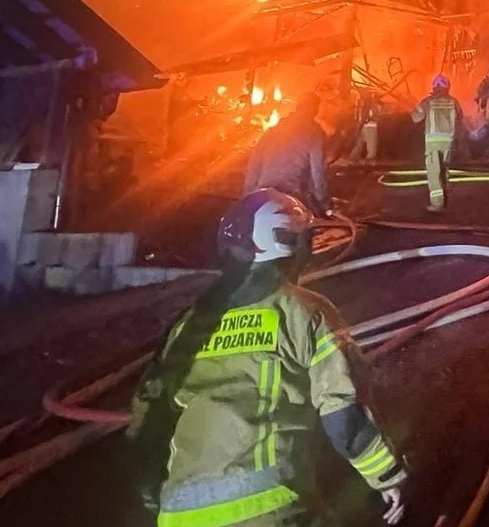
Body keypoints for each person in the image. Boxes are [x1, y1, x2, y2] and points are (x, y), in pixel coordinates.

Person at [128, 188, 406, 526]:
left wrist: (150, 492)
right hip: (269, 508)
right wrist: (387, 475)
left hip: (178, 515)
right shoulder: (304, 311)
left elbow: (148, 417)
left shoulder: (188, 325)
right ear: (291, 244)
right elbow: (342, 412)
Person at [244, 93, 331, 216]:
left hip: (263, 195)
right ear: (315, 110)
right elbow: (318, 172)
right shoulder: (314, 133)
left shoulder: (272, 130)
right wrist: (325, 204)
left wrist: (248, 197)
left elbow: (253, 167)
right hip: (293, 197)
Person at [411, 75, 463, 213]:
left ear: (434, 87)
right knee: (444, 169)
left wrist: (416, 107)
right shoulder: (454, 102)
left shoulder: (428, 101)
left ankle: (437, 204)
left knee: (434, 172)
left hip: (433, 142)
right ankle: (446, 197)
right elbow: (460, 117)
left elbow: (415, 118)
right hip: (448, 141)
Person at [351, 92, 382, 163]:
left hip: (365, 127)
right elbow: (373, 117)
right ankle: (369, 164)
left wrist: (359, 128)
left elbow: (363, 118)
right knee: (372, 149)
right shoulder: (374, 106)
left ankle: (352, 160)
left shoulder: (366, 106)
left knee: (359, 145)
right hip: (371, 128)